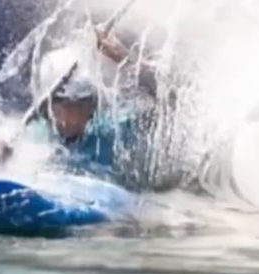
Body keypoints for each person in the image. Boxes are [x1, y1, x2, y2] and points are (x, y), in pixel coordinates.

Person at [14, 29, 163, 180]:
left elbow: (167, 101)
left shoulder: (112, 132)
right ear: (48, 106)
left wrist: (125, 59)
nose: (74, 116)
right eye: (65, 104)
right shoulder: (31, 137)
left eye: (83, 103)